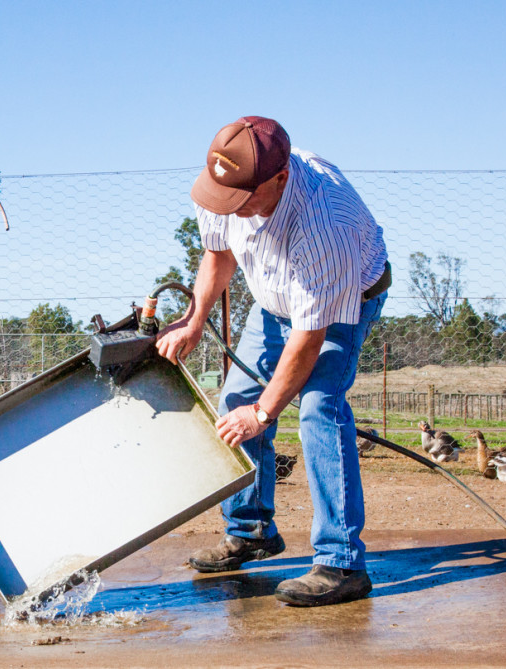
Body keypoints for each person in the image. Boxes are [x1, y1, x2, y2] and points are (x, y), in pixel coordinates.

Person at [155, 116, 390, 607]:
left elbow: (308, 337)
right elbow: (218, 255)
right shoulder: (225, 182)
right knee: (234, 400)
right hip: (274, 299)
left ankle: (342, 562)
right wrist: (194, 319)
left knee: (319, 408)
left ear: (280, 179)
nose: (231, 209)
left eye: (242, 200)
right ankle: (251, 531)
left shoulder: (326, 222)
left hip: (340, 303)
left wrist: (264, 413)